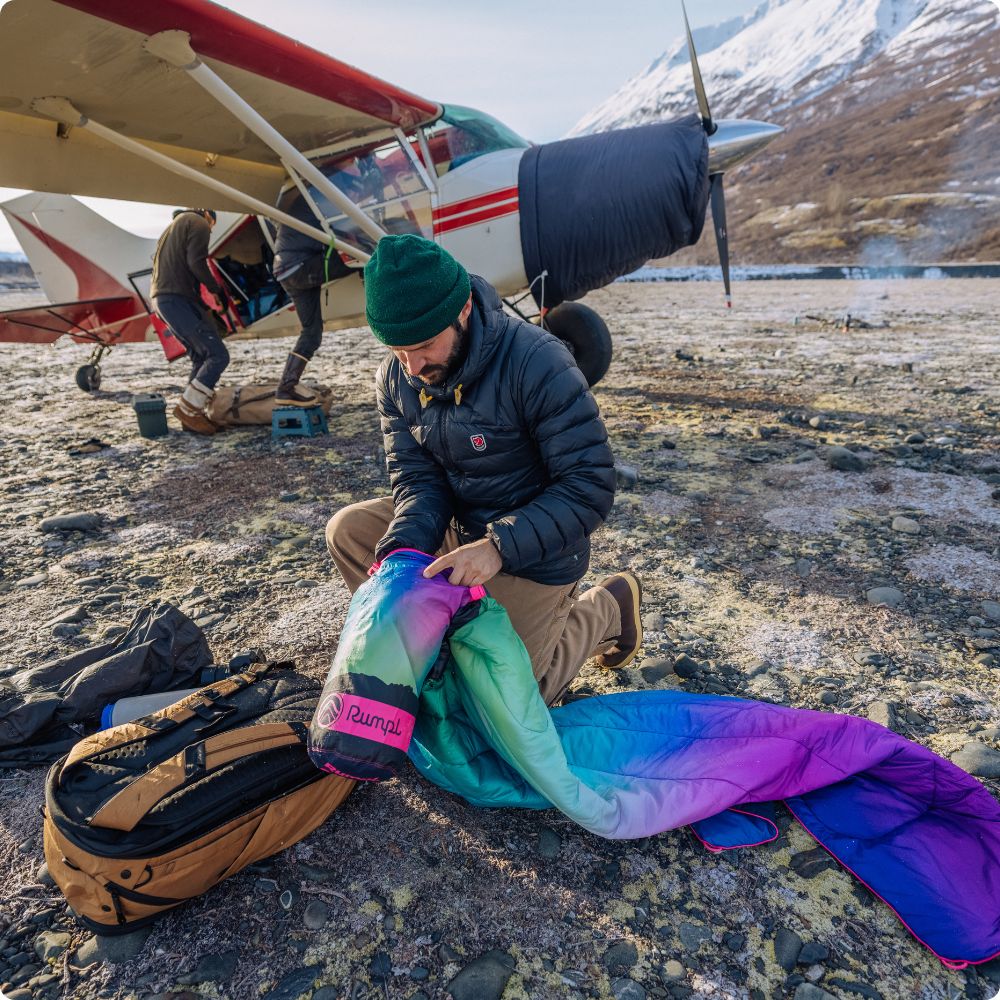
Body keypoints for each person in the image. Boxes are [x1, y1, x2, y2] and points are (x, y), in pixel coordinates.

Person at [325, 234, 642, 705]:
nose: (412, 367)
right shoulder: (396, 378)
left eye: (425, 346)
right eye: (397, 351)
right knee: (347, 531)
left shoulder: (538, 362)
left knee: (513, 703)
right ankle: (429, 639)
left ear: (465, 309)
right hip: (457, 533)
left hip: (534, 554)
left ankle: (608, 609)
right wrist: (406, 551)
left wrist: (497, 547)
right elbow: (417, 480)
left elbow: (589, 485)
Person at [150, 208, 228, 435]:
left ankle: (191, 417)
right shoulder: (198, 223)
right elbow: (196, 262)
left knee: (200, 356)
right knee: (218, 355)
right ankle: (189, 409)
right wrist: (216, 290)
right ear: (210, 218)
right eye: (211, 229)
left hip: (164, 300)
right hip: (175, 299)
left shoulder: (173, 228)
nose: (209, 233)